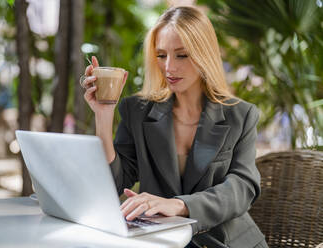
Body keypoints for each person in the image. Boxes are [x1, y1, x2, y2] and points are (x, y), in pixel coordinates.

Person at [81, 5, 268, 248]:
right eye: (161, 55)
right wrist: (103, 116)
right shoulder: (136, 111)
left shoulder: (240, 115)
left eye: (181, 55)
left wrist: (180, 205)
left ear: (204, 54)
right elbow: (113, 183)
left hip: (225, 242)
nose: (169, 67)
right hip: (161, 242)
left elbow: (243, 188)